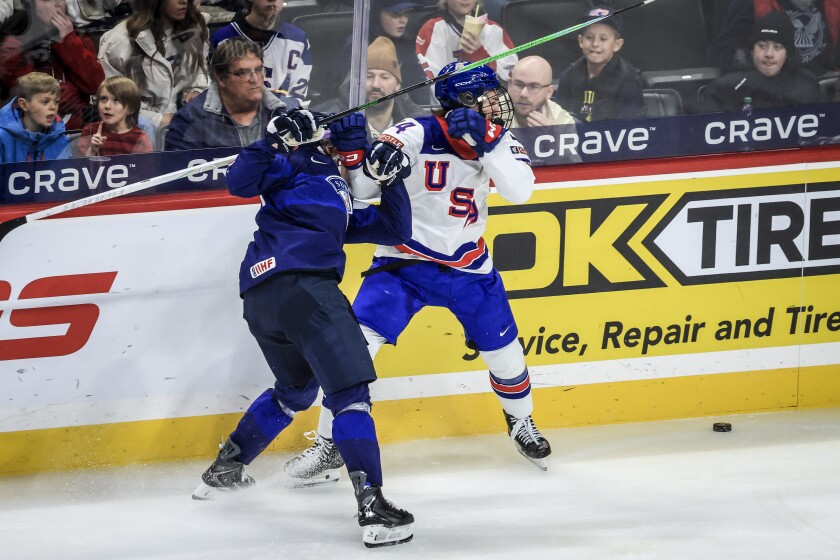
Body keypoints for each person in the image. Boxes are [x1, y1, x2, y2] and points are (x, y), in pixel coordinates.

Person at [283, 62, 552, 487]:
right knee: (353, 353)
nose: (496, 104)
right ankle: (330, 444)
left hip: (469, 269)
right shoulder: (413, 132)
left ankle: (520, 420)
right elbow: (365, 192)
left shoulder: (498, 139)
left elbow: (521, 190)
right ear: (462, 101)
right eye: (486, 96)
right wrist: (358, 157)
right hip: (402, 265)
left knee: (506, 354)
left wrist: (485, 144)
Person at [192, 107, 415, 548]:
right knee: (350, 397)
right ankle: (373, 508)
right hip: (307, 291)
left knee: (295, 391)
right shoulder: (295, 161)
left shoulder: (338, 195)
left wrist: (392, 182)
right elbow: (239, 181)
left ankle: (225, 471)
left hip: (264, 299)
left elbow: (395, 229)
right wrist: (274, 140)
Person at [165, 38, 300, 151]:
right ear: (221, 79)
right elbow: (179, 172)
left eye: (259, 70)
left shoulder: (287, 111)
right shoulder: (190, 120)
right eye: (243, 73)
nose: (255, 79)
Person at [97, 0, 210, 129]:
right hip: (140, 130)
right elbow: (111, 101)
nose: (184, 1)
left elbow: (201, 70)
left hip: (185, 123)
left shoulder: (194, 28)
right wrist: (159, 119)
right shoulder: (119, 41)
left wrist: (197, 91)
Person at [0, 0, 105, 130]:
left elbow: (95, 85)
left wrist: (69, 40)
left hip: (75, 129)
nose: (58, 3)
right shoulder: (14, 43)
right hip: (30, 132)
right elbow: (35, 91)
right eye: (47, 0)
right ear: (30, 4)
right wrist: (76, 99)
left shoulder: (76, 37)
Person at [705, 10, 824, 111]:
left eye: (777, 47)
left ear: (788, 53)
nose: (769, 54)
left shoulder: (807, 86)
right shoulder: (727, 87)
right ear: (752, 50)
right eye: (762, 46)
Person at [315, 36, 423, 141]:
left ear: (398, 85)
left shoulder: (419, 127)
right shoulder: (330, 122)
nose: (376, 84)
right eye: (368, 76)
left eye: (384, 77)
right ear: (357, 81)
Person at [554, 5, 645, 122]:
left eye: (603, 39)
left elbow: (627, 127)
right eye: (589, 37)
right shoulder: (569, 75)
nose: (595, 44)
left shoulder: (628, 80)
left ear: (617, 44)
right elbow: (558, 119)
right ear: (580, 41)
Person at [210, 0, 312, 99]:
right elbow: (214, 93)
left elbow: (296, 97)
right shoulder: (222, 38)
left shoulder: (298, 39)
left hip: (282, 109)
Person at [714, 0, 840, 76]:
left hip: (825, 86)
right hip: (770, 91)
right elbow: (729, 56)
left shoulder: (834, 5)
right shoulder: (750, 3)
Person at [416, 0, 518, 82]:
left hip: (489, 98)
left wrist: (480, 55)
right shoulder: (433, 28)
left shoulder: (494, 30)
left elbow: (510, 77)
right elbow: (430, 80)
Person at [0, 71, 69, 162]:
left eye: (56, 101)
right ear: (24, 105)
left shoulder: (60, 138)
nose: (53, 107)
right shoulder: (2, 138)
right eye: (45, 102)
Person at [77, 76, 153, 156]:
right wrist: (92, 150)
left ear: (130, 109)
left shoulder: (140, 139)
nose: (107, 106)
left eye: (116, 100)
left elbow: (146, 164)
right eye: (103, 99)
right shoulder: (90, 131)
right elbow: (79, 163)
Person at [508, 55, 575, 128]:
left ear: (549, 92)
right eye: (518, 85)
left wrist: (552, 134)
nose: (523, 94)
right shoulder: (497, 110)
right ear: (509, 85)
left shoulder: (562, 121)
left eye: (533, 87)